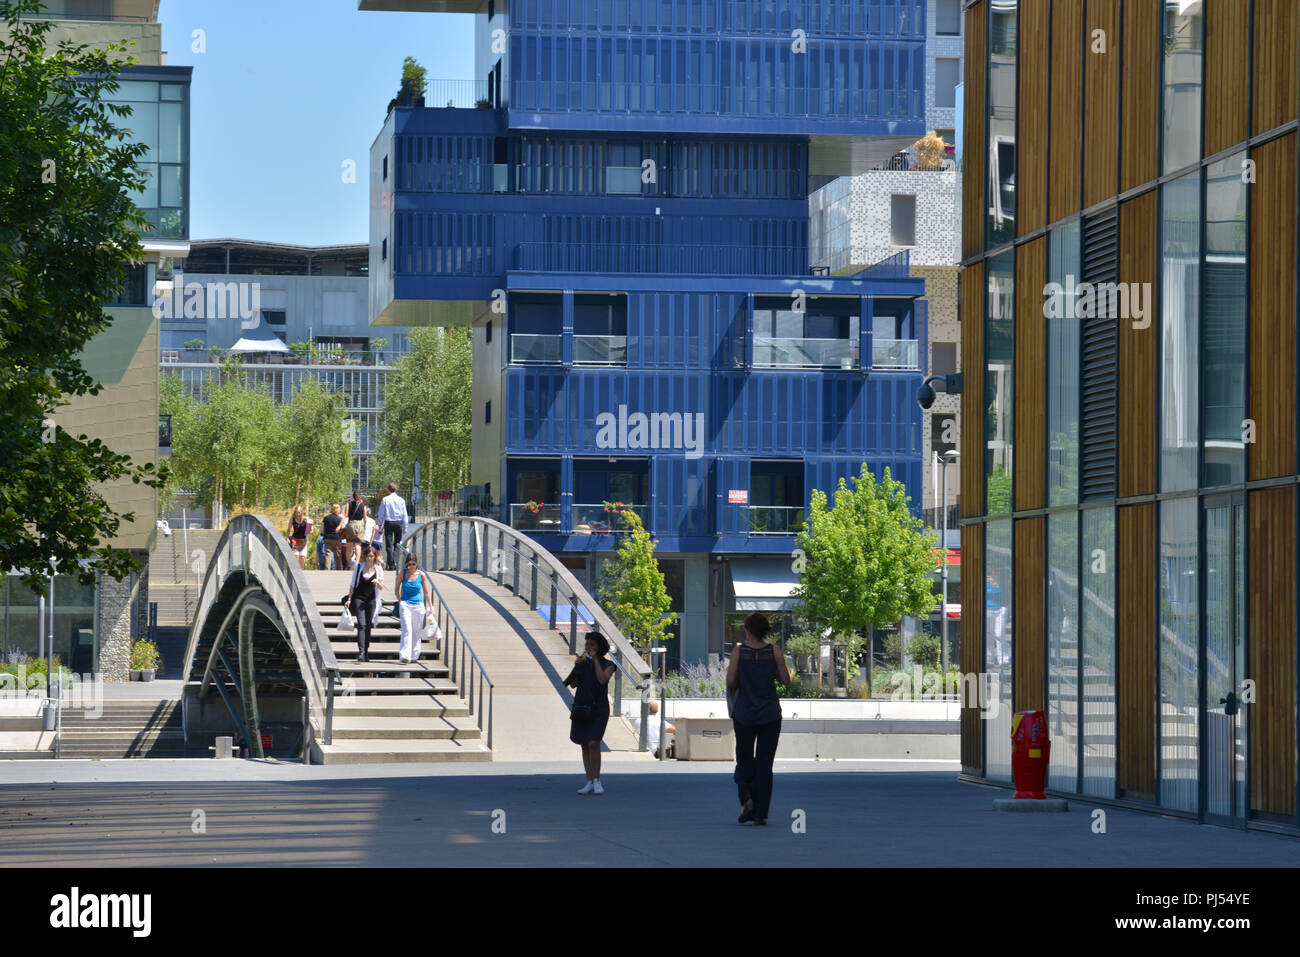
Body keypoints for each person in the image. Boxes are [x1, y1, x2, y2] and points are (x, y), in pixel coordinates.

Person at [726, 612, 790, 826]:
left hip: (744, 714)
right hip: (770, 714)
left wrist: (747, 678)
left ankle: (747, 798)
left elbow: (731, 681)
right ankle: (760, 813)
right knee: (765, 763)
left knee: (744, 758)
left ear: (748, 629)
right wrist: (769, 672)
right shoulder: (774, 651)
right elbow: (785, 680)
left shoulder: (738, 651)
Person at [564, 630, 616, 795]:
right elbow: (573, 684)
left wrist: (594, 660)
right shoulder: (583, 664)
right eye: (587, 645)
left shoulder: (609, 665)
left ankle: (597, 779)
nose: (588, 647)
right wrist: (577, 666)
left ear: (599, 647)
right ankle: (589, 780)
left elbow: (602, 680)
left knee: (594, 742)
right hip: (582, 705)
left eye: (592, 645)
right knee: (584, 743)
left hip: (599, 708)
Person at [345, 545, 384, 663]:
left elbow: (382, 587)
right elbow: (352, 584)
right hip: (359, 599)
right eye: (367, 556)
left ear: (375, 557)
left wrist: (377, 582)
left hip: (371, 600)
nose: (369, 559)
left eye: (371, 556)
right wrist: (349, 599)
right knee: (361, 624)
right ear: (364, 557)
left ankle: (366, 651)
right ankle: (361, 651)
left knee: (368, 625)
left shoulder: (378, 569)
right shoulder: (359, 568)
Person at [394, 553, 436, 663]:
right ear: (407, 564)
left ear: (416, 564)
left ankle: (414, 655)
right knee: (407, 629)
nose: (412, 566)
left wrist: (431, 607)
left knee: (416, 631)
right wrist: (400, 601)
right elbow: (396, 589)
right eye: (410, 564)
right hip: (405, 604)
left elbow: (427, 592)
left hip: (418, 605)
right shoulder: (402, 573)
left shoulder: (421, 575)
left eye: (414, 564)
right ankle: (405, 655)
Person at [377, 482, 408, 570]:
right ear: (396, 489)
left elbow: (381, 513)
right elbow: (404, 514)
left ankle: (390, 564)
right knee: (397, 544)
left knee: (389, 544)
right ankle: (394, 560)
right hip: (398, 522)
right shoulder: (401, 500)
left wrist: (380, 525)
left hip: (388, 522)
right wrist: (405, 526)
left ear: (388, 490)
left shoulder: (385, 499)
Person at [344, 490, 368, 566]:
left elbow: (346, 515)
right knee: (358, 544)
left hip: (351, 524)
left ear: (353, 496)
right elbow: (365, 519)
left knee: (349, 545)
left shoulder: (348, 504)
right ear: (360, 496)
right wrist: (364, 527)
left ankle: (349, 563)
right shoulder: (363, 505)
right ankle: (357, 563)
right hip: (359, 524)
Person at [322, 503, 348, 571]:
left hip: (327, 538)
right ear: (338, 510)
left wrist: (325, 534)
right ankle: (338, 570)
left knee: (328, 555)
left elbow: (322, 530)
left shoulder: (326, 518)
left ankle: (327, 570)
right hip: (337, 538)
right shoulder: (340, 519)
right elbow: (342, 528)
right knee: (338, 556)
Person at [286, 505, 312, 571]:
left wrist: (310, 527)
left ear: (301, 512)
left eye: (299, 512)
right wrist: (287, 537)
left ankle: (301, 571)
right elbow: (289, 529)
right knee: (296, 556)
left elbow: (310, 530)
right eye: (296, 512)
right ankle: (295, 571)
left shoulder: (306, 519)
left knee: (302, 557)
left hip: (303, 540)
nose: (298, 514)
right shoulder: (293, 519)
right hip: (295, 540)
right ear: (294, 512)